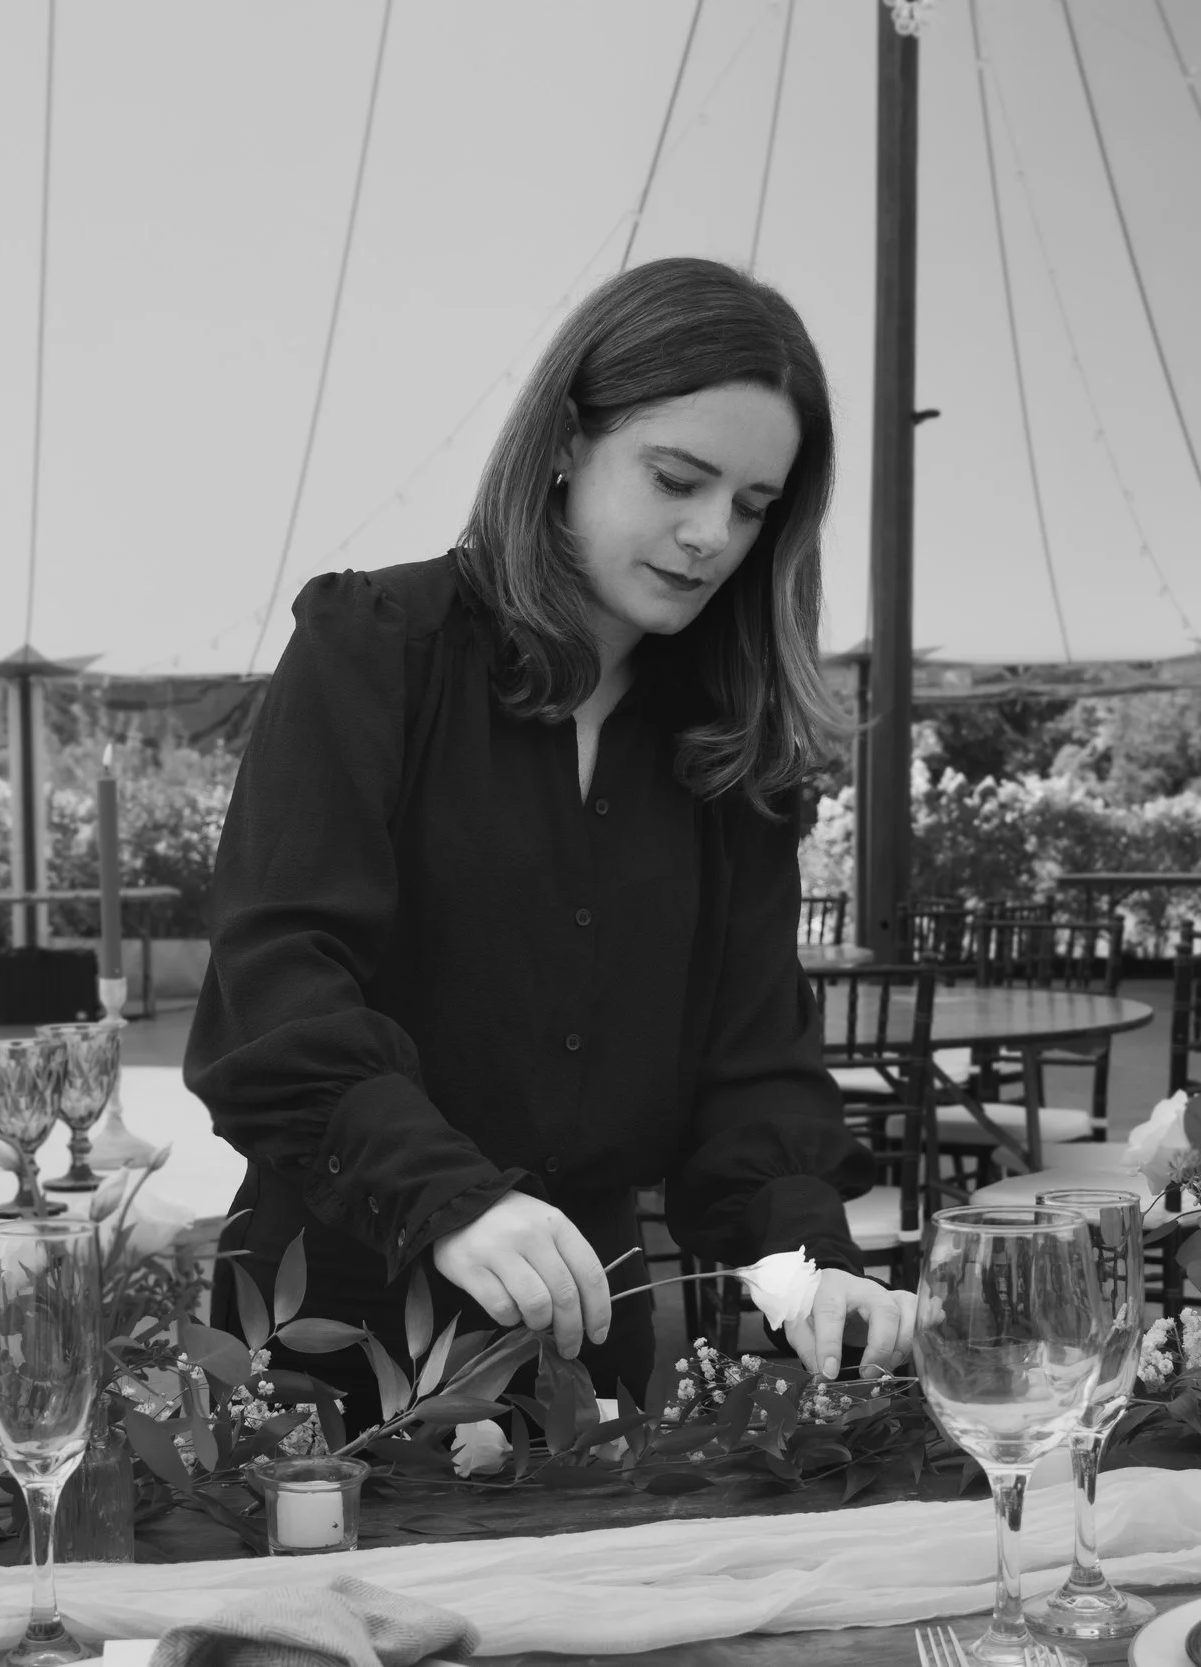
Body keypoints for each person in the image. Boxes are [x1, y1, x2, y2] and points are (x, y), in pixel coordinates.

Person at [185, 257, 917, 1423]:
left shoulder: (731, 747)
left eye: (752, 504)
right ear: (567, 441)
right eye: (676, 478)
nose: (708, 535)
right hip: (319, 1334)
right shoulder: (376, 649)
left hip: (591, 1348)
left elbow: (750, 1062)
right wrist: (450, 1199)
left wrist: (806, 1262)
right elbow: (277, 993)